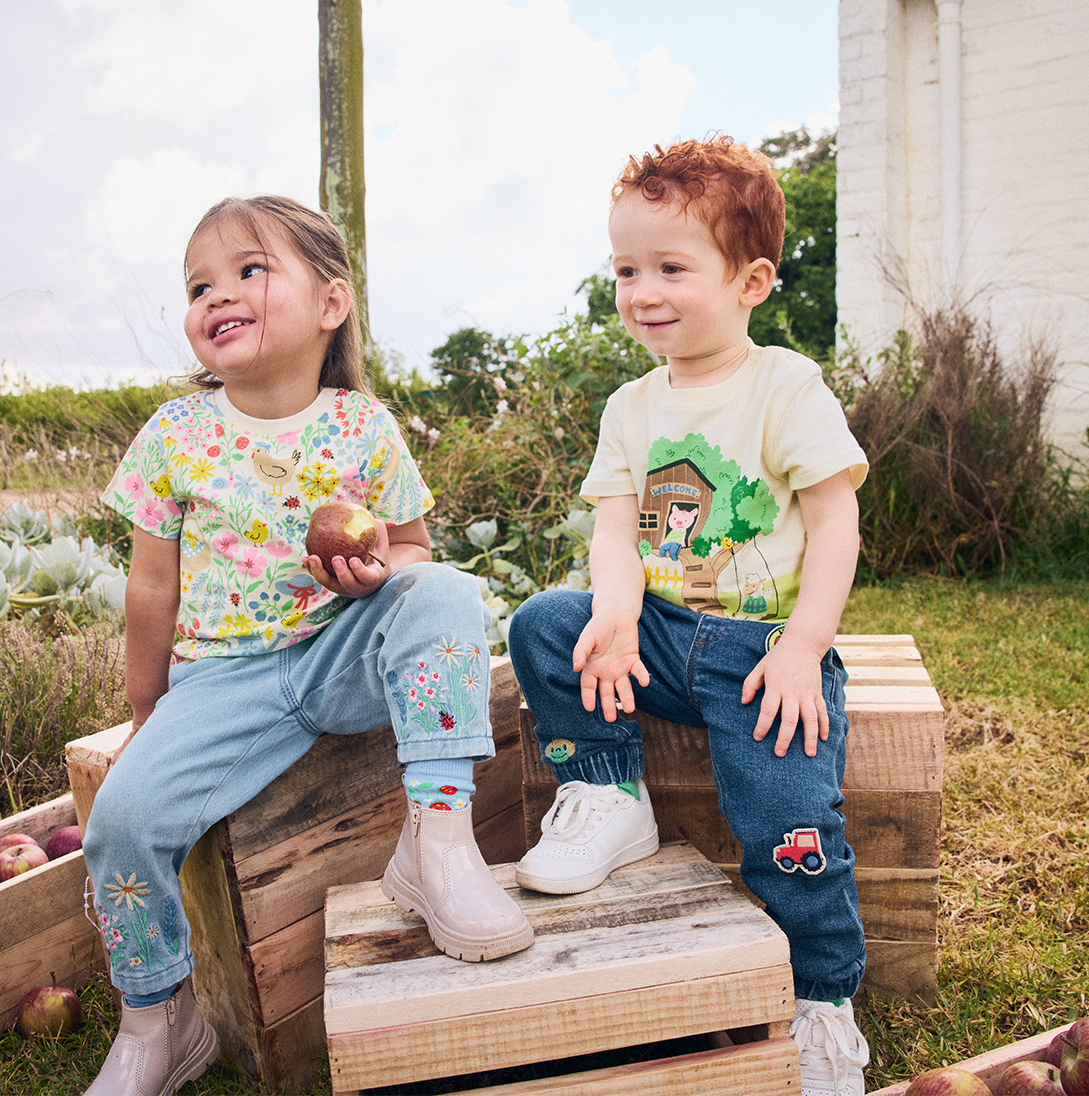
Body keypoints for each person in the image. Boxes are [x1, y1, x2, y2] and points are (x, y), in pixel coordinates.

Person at [82, 195, 532, 1096]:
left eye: (251, 271)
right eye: (200, 283)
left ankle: (438, 844)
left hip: (340, 658)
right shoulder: (176, 434)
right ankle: (157, 1020)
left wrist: (375, 573)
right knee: (119, 825)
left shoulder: (365, 427)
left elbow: (412, 552)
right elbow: (151, 588)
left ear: (331, 304)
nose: (220, 295)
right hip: (219, 684)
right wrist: (146, 715)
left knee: (444, 590)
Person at [508, 138, 871, 1096]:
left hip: (763, 660)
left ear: (750, 280)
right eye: (626, 268)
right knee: (549, 623)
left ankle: (824, 999)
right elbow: (614, 532)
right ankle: (609, 795)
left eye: (672, 268)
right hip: (666, 638)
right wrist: (618, 616)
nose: (642, 289)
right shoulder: (630, 407)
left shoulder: (782, 386)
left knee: (787, 826)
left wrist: (804, 651)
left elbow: (836, 520)